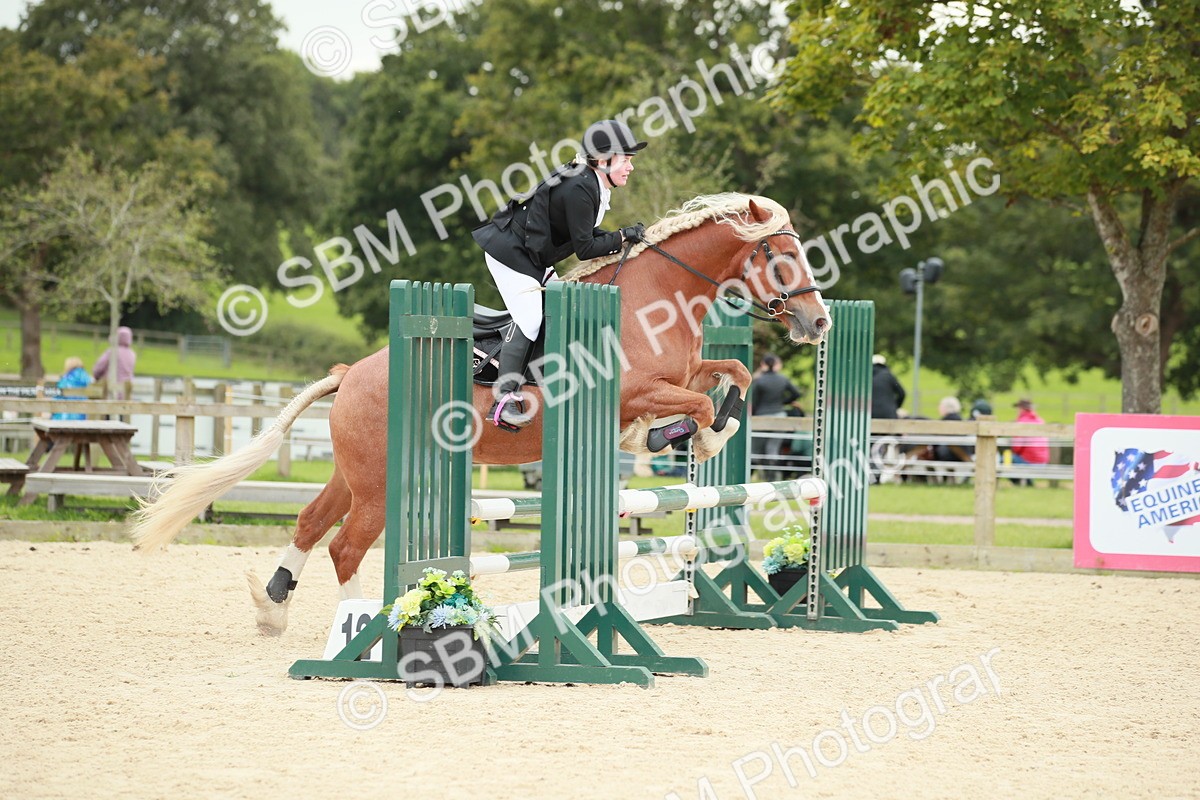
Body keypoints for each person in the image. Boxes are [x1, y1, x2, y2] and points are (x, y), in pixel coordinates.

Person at [472, 119, 648, 432]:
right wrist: (621, 236)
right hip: (509, 254)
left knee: (563, 311)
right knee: (530, 319)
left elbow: (585, 234)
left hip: (533, 255)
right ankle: (504, 398)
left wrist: (621, 236)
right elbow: (585, 248)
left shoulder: (591, 182)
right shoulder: (581, 186)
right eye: (626, 160)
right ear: (604, 160)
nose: (630, 167)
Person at [750, 353, 803, 481]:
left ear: (764, 364)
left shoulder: (759, 380)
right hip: (779, 416)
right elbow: (796, 393)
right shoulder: (783, 379)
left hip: (761, 418)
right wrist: (784, 402)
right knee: (772, 449)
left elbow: (753, 401)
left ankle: (748, 478)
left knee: (755, 450)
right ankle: (772, 480)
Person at [1010, 397, 1050, 485]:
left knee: (1006, 460)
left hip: (1029, 462)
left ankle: (1022, 483)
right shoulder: (1040, 421)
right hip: (1043, 461)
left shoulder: (1021, 423)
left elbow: (1017, 448)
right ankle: (1028, 481)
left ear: (1021, 409)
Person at [93, 326, 137, 398]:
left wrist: (96, 377)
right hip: (126, 392)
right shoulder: (132, 354)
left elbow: (98, 368)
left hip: (110, 390)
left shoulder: (112, 351)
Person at [51, 357, 92, 421]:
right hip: (82, 416)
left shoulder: (66, 379)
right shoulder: (86, 377)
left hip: (64, 417)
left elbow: (56, 398)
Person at [934, 396, 972, 463]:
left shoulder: (943, 422)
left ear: (944, 408)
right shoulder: (961, 421)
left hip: (948, 457)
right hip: (965, 457)